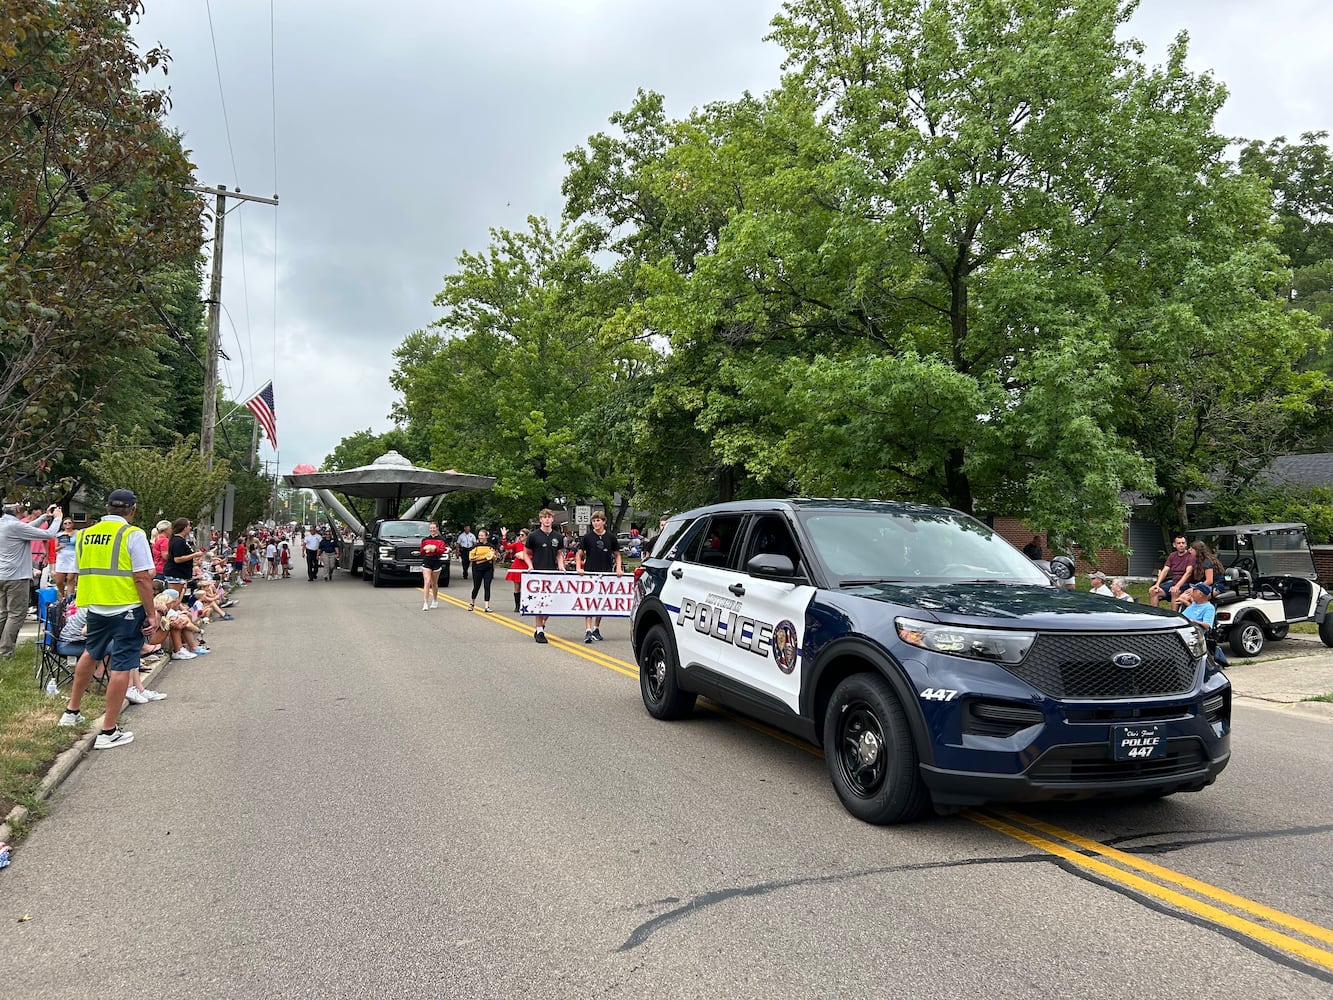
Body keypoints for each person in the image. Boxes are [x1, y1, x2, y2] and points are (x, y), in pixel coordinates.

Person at [57, 489, 159, 749]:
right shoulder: (132, 534)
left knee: (91, 653)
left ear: (107, 507)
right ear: (132, 510)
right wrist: (151, 612)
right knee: (123, 665)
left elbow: (81, 569)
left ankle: (72, 712)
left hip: (95, 605)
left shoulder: (84, 534)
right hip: (126, 606)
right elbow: (142, 577)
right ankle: (108, 730)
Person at [0, 500, 61, 659]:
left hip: (2, 575)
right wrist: (57, 518)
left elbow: (27, 528)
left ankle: (2, 647)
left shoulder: (4, 523)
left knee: (3, 613)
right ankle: (5, 652)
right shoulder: (15, 526)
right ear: (19, 512)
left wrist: (43, 518)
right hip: (16, 577)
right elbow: (49, 534)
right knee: (16, 614)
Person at [576, 511, 622, 643]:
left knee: (601, 602)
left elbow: (617, 554)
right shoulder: (587, 537)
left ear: (604, 522)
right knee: (589, 601)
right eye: (594, 521)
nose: (596, 523)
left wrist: (618, 568)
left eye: (598, 520)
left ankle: (596, 628)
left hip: (605, 572)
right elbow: (579, 554)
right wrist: (579, 567)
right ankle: (588, 630)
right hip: (590, 572)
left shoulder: (611, 538)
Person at [526, 508, 566, 643]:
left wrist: (561, 566)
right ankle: (540, 631)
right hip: (538, 573)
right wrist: (530, 565)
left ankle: (541, 624)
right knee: (540, 603)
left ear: (552, 519)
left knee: (550, 603)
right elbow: (526, 552)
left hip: (552, 573)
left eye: (549, 517)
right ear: (541, 520)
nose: (547, 519)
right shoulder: (533, 536)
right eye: (544, 517)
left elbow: (559, 553)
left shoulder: (558, 537)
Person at [1181, 582, 1228, 665]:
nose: (1191, 591)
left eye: (1194, 590)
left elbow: (1207, 625)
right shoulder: (1194, 604)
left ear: (1200, 594)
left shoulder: (1209, 608)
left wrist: (1193, 621)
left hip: (1195, 632)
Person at [1149, 535, 1195, 608]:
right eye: (1179, 543)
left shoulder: (1190, 556)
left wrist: (1177, 586)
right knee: (1153, 591)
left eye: (1183, 543)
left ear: (1186, 544)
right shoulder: (1172, 555)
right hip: (1173, 582)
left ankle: (1174, 616)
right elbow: (1165, 570)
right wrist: (1157, 584)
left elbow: (1188, 573)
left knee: (1175, 591)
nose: (1181, 545)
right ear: (1174, 545)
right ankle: (1155, 615)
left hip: (1186, 584)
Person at [1176, 539, 1224, 608]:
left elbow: (1209, 581)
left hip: (1215, 586)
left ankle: (1195, 615)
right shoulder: (1198, 561)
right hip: (1203, 585)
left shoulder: (1207, 562)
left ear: (1197, 551)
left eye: (1192, 549)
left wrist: (1194, 588)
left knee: (1194, 597)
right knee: (1182, 597)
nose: (1189, 550)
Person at [467, 528, 499, 612]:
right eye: (479, 535)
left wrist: (490, 557)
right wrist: (485, 557)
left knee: (487, 586)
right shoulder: (475, 546)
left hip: (488, 569)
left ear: (486, 536)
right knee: (476, 586)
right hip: (477, 569)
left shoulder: (491, 546)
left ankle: (487, 606)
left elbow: (494, 557)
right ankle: (472, 603)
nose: (480, 537)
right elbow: (471, 557)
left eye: (482, 535)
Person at [165, 518, 205, 582]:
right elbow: (177, 559)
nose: (190, 528)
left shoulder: (181, 540)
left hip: (183, 573)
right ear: (184, 528)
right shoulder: (178, 541)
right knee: (176, 592)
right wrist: (194, 555)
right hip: (176, 573)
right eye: (189, 526)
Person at [419, 522, 448, 610]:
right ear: (429, 529)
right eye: (431, 528)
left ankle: (435, 599)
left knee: (434, 583)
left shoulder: (441, 539)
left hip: (436, 561)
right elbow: (421, 552)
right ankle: (425, 603)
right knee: (427, 582)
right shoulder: (425, 540)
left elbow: (442, 551)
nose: (432, 530)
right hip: (427, 561)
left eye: (434, 528)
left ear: (437, 528)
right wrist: (425, 549)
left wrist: (435, 549)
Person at [53, 517, 79, 600]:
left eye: (69, 523)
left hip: (73, 557)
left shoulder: (77, 533)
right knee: (59, 581)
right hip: (62, 557)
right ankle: (63, 595)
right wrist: (61, 546)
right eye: (65, 523)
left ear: (72, 524)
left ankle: (69, 600)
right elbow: (54, 548)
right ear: (63, 525)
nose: (67, 525)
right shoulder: (59, 535)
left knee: (70, 579)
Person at [506, 533, 531, 612]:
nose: (520, 536)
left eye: (522, 535)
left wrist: (525, 557)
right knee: (517, 587)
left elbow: (535, 554)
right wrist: (504, 537)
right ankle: (517, 605)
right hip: (517, 566)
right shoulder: (517, 544)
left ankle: (526, 604)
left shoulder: (530, 545)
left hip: (526, 566)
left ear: (527, 536)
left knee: (526, 587)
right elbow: (507, 547)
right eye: (519, 535)